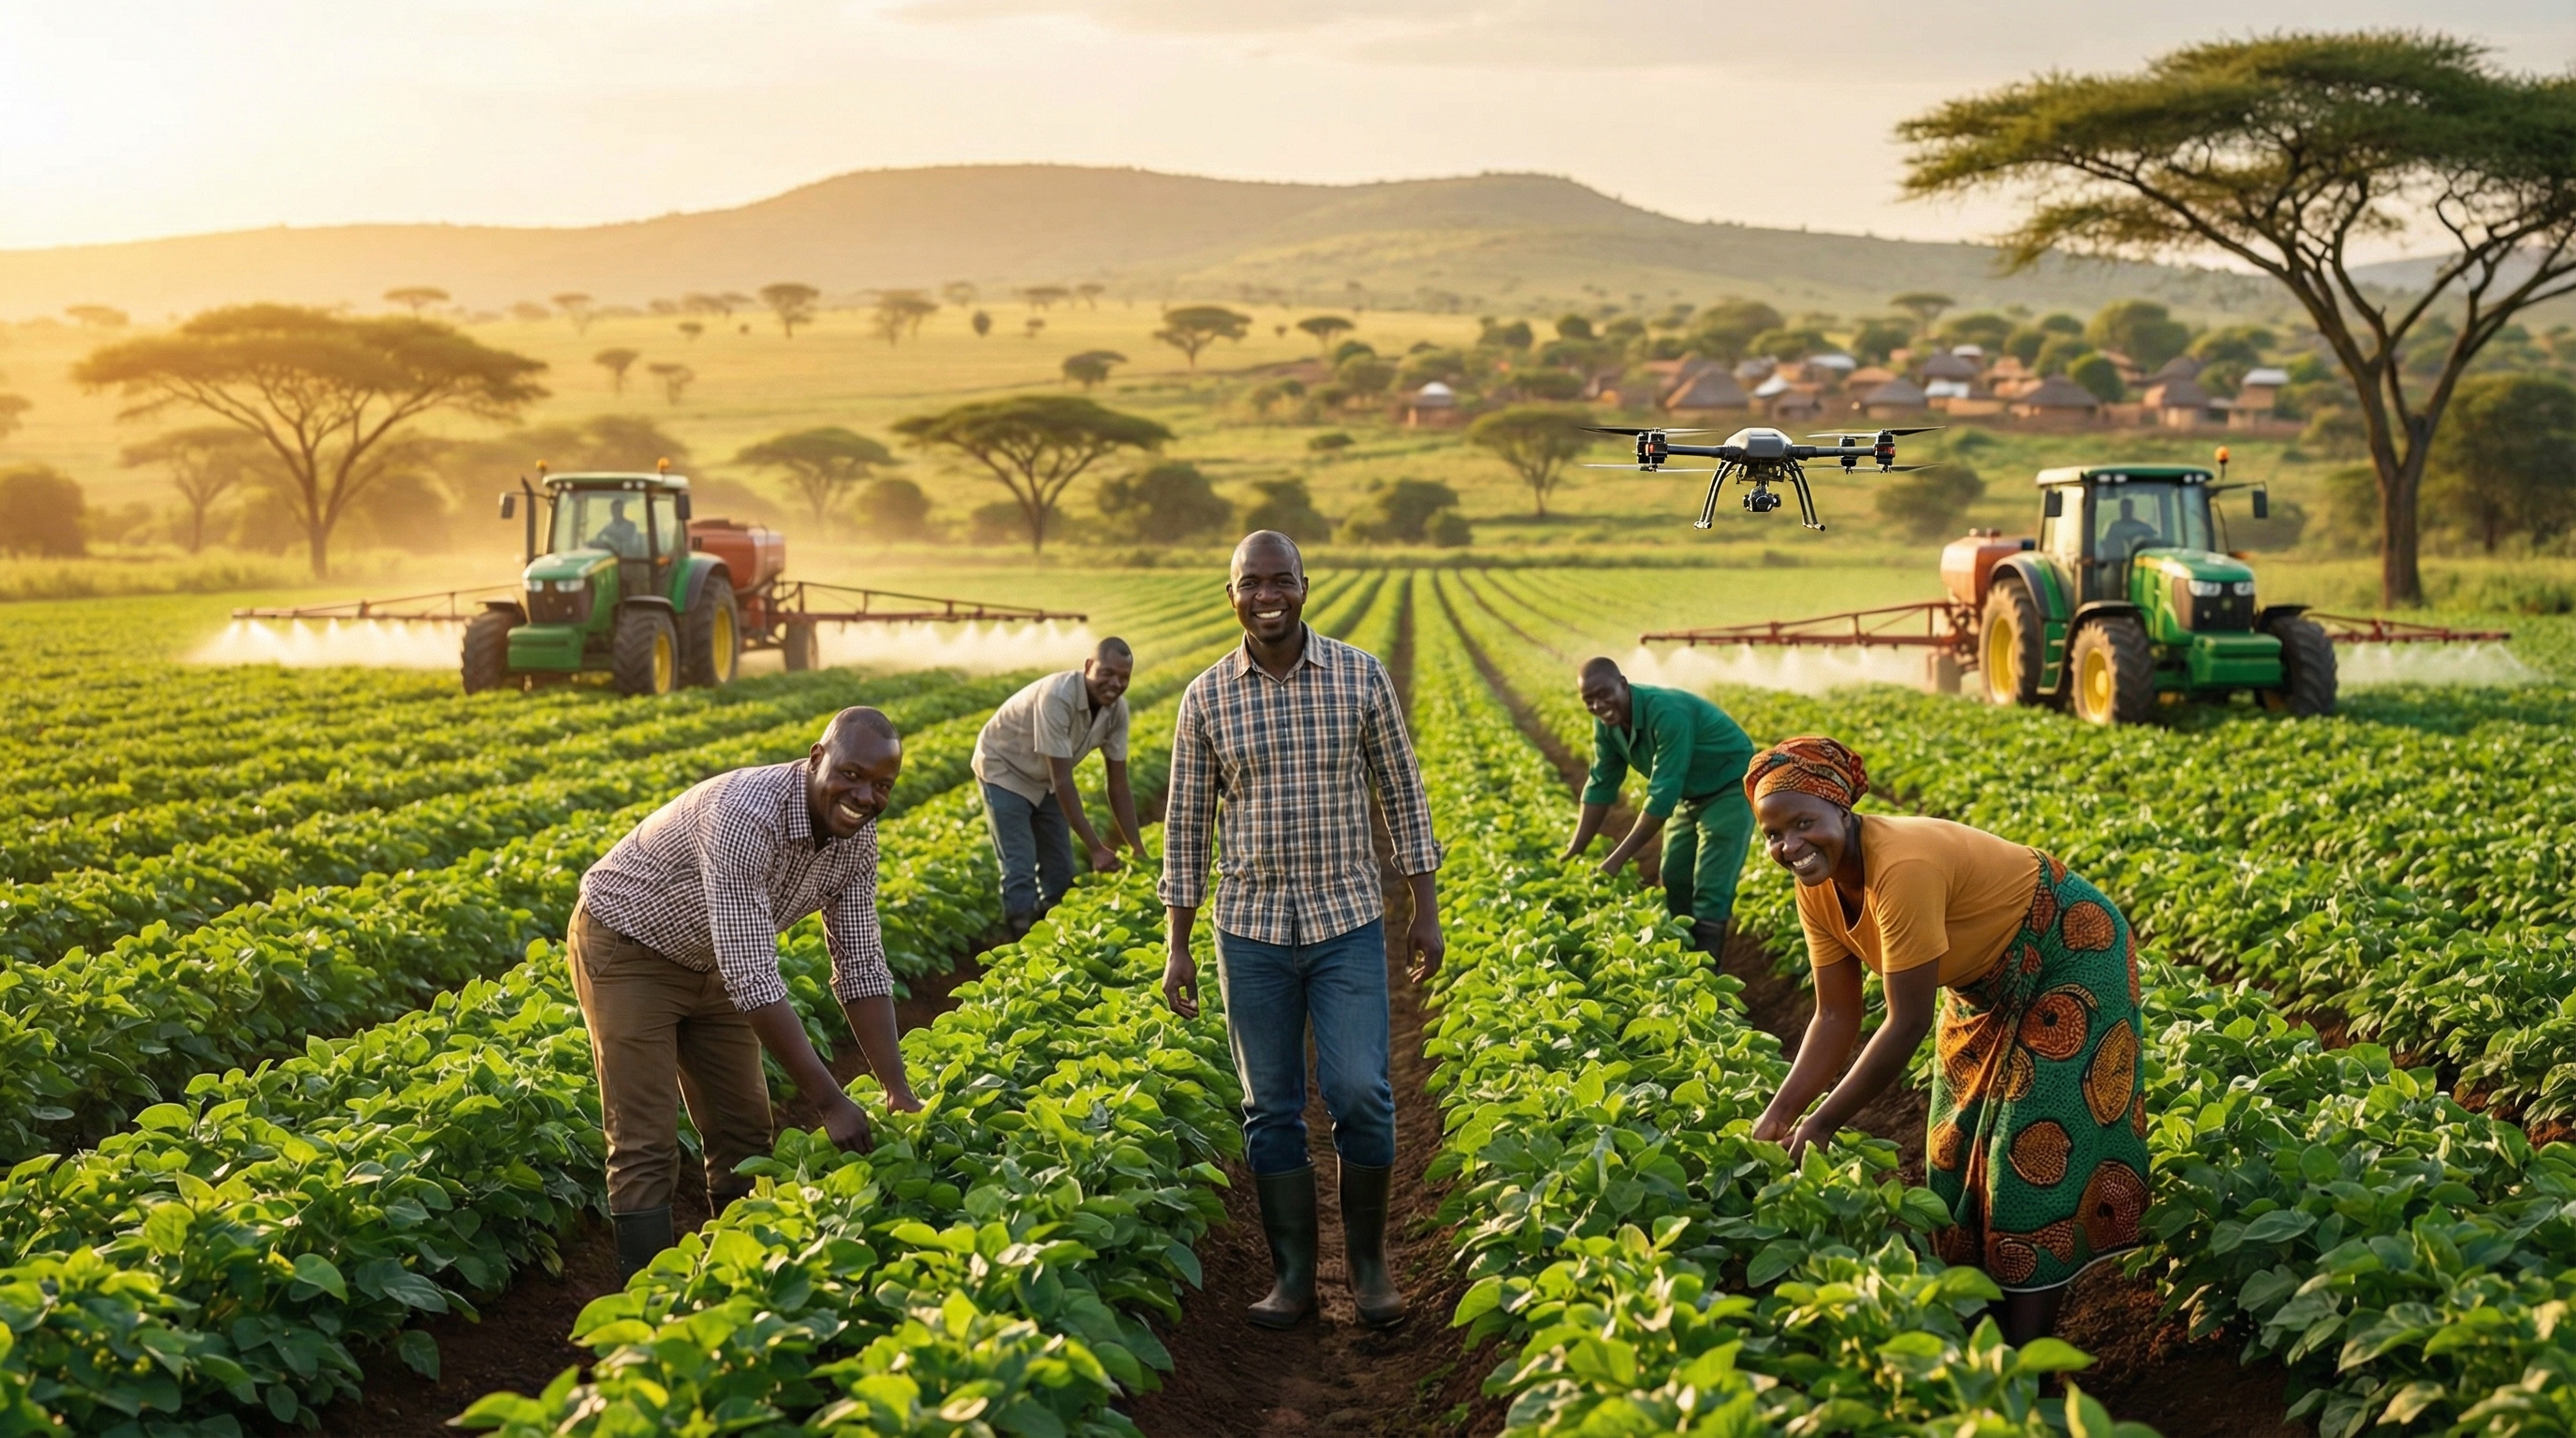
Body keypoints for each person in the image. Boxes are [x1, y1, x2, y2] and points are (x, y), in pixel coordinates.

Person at [1743, 736, 2148, 1344]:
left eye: (1805, 823)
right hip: (1981, 976)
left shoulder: (1901, 868)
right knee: (1952, 1150)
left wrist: (1822, 1123)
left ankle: (2025, 1359)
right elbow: (1834, 1017)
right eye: (1774, 834)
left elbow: (1904, 1023)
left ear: (1844, 812)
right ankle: (1980, 1324)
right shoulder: (1817, 888)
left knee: (2030, 1159)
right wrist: (1778, 1115)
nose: (1790, 846)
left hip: (2069, 952)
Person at [1159, 531, 1443, 1331]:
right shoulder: (1206, 697)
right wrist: (1177, 945)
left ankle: (1370, 1271)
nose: (1266, 595)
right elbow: (1185, 830)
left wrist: (1425, 907)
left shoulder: (1359, 675)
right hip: (1248, 929)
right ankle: (1293, 1280)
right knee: (1270, 1106)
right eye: (1251, 583)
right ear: (1232, 595)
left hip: (1346, 916)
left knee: (1360, 1092)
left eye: (1280, 580)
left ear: (1305, 586)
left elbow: (1403, 794)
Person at [571, 707, 923, 1280]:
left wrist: (896, 1089)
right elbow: (754, 977)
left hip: (714, 958)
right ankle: (648, 1304)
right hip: (627, 946)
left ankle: (734, 1283)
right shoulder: (746, 815)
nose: (865, 796)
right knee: (646, 1143)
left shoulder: (857, 840)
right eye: (852, 774)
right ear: (816, 758)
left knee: (744, 1131)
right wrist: (830, 1102)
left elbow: (859, 959)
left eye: (882, 785)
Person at [1560, 656, 1757, 953]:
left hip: (1729, 785)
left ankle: (1709, 975)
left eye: (1604, 694)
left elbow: (1663, 793)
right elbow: (1601, 784)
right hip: (1689, 795)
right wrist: (1573, 850)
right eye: (1589, 700)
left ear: (1623, 685)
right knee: (1675, 876)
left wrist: (1616, 859)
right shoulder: (1607, 726)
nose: (1598, 706)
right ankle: (1685, 960)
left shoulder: (1667, 713)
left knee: (1710, 887)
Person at [972, 638, 1148, 935]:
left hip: (1044, 778)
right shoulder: (1058, 696)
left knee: (1060, 869)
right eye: (1107, 673)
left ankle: (1050, 937)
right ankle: (1020, 940)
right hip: (1004, 769)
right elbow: (1063, 780)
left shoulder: (1117, 711)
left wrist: (1137, 846)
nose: (1115, 684)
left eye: (1124, 678)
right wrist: (1096, 848)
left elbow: (1118, 784)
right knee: (1020, 865)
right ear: (1088, 666)